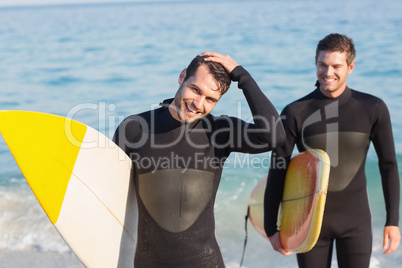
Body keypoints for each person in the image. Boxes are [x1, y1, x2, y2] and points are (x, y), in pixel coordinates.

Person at [113, 52, 285, 267]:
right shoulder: (134, 129)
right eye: (195, 90)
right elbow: (110, 197)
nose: (198, 104)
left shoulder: (220, 132)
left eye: (210, 99)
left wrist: (243, 76)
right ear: (182, 76)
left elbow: (274, 136)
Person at [264, 33, 401, 267]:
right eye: (322, 65)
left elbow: (388, 165)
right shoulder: (296, 112)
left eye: (336, 66)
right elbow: (279, 168)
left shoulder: (372, 108)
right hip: (308, 223)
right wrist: (271, 227)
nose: (328, 73)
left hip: (355, 222)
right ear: (315, 63)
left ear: (351, 66)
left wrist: (393, 222)